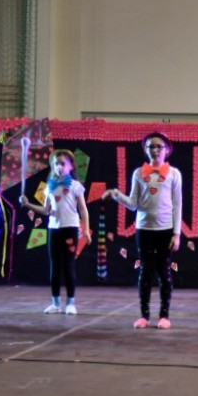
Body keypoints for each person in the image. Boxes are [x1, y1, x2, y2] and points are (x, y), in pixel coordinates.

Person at [104, 132, 183, 329]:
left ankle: (164, 315)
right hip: (144, 229)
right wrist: (116, 194)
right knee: (145, 272)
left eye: (159, 146)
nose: (155, 150)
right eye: (151, 146)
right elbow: (133, 204)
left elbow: (177, 204)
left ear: (166, 150)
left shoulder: (174, 174)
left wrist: (176, 233)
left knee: (164, 272)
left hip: (165, 230)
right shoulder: (139, 173)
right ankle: (144, 315)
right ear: (146, 150)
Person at [19, 149, 91, 315]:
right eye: (56, 163)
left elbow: (83, 209)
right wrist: (28, 204)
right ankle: (55, 303)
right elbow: (46, 210)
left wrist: (86, 229)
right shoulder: (49, 187)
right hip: (53, 230)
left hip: (70, 229)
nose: (59, 166)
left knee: (69, 266)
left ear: (71, 166)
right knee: (55, 267)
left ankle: (70, 303)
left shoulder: (75, 186)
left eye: (63, 163)